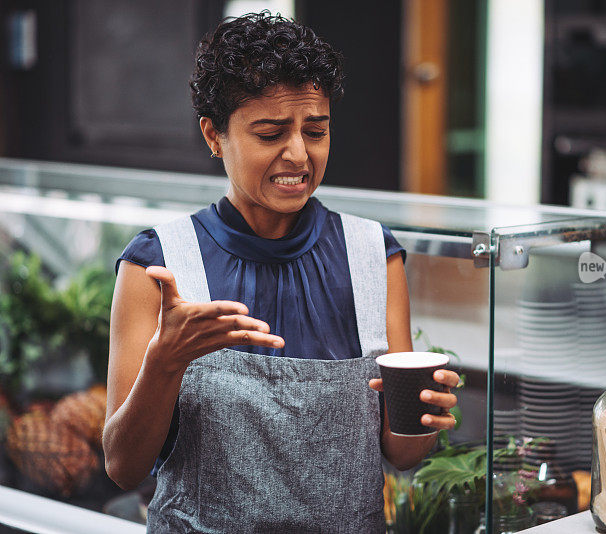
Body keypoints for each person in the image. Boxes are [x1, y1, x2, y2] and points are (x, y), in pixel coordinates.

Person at [102, 12, 460, 533]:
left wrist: (426, 415)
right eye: (270, 133)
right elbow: (122, 465)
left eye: (316, 130)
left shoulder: (372, 254)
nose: (299, 154)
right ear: (214, 135)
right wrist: (165, 361)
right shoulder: (158, 264)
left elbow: (400, 454)